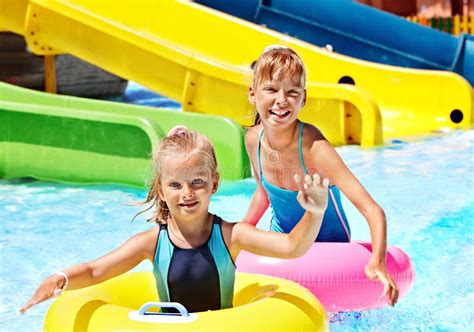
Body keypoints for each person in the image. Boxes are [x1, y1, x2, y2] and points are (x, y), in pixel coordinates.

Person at [19, 126, 329, 314]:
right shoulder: (152, 243)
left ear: (214, 184)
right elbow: (96, 270)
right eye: (175, 185)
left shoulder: (232, 236)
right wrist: (61, 277)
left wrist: (314, 212)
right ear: (161, 190)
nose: (187, 193)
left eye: (197, 182)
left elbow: (291, 247)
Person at [243, 45, 399, 306]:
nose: (281, 100)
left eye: (292, 93)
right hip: (283, 241)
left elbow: (373, 210)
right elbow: (265, 193)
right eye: (271, 89)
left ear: (303, 99)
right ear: (252, 94)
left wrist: (378, 262)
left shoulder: (315, 149)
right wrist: (242, 229)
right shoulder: (252, 140)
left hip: (328, 249)